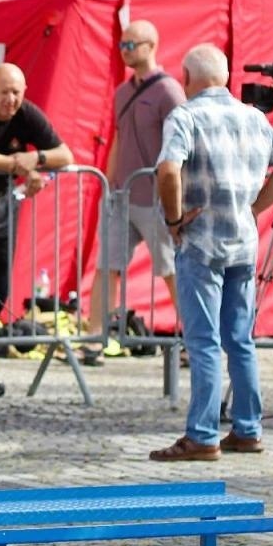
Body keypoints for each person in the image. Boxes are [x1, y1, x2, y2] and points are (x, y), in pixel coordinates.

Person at [150, 45, 273, 461]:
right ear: (226, 75)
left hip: (201, 241)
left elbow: (167, 170)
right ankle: (248, 429)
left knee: (203, 342)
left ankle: (202, 435)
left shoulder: (185, 115)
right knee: (240, 340)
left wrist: (174, 217)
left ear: (185, 78)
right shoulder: (253, 116)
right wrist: (254, 209)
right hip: (242, 241)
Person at [0, 58, 75, 396]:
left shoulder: (27, 113)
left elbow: (64, 153)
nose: (10, 100)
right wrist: (14, 163)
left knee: (0, 284)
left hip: (4, 205)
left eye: (16, 93)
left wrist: (35, 160)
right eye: (4, 92)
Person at [87, 20, 183, 362]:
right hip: (122, 194)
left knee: (171, 269)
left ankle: (191, 339)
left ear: (151, 45)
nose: (124, 51)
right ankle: (95, 337)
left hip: (156, 198)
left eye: (131, 45)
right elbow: (117, 140)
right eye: (122, 45)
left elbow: (181, 146)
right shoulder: (122, 93)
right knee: (106, 265)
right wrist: (109, 185)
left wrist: (175, 196)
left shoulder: (169, 92)